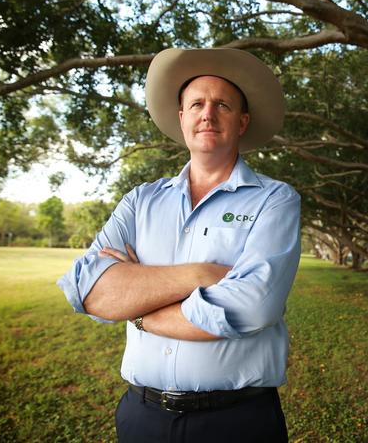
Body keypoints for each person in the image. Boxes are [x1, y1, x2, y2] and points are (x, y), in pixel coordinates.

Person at [57, 48, 301, 442]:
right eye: (197, 104)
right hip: (142, 417)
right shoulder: (140, 201)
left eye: (222, 104)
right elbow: (86, 287)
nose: (208, 113)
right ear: (182, 117)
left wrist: (138, 311)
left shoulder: (275, 199)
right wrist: (203, 275)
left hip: (237, 420)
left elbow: (252, 306)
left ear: (242, 121)